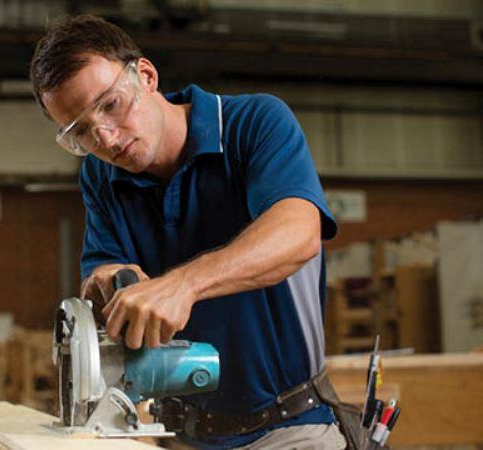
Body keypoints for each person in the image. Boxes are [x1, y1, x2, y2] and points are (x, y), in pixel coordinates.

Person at [30, 15, 348, 450]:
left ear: (145, 76)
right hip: (175, 434)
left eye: (109, 105)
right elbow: (103, 267)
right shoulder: (100, 176)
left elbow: (298, 232)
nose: (104, 137)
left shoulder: (251, 124)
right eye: (80, 131)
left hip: (287, 429)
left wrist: (184, 284)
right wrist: (107, 283)